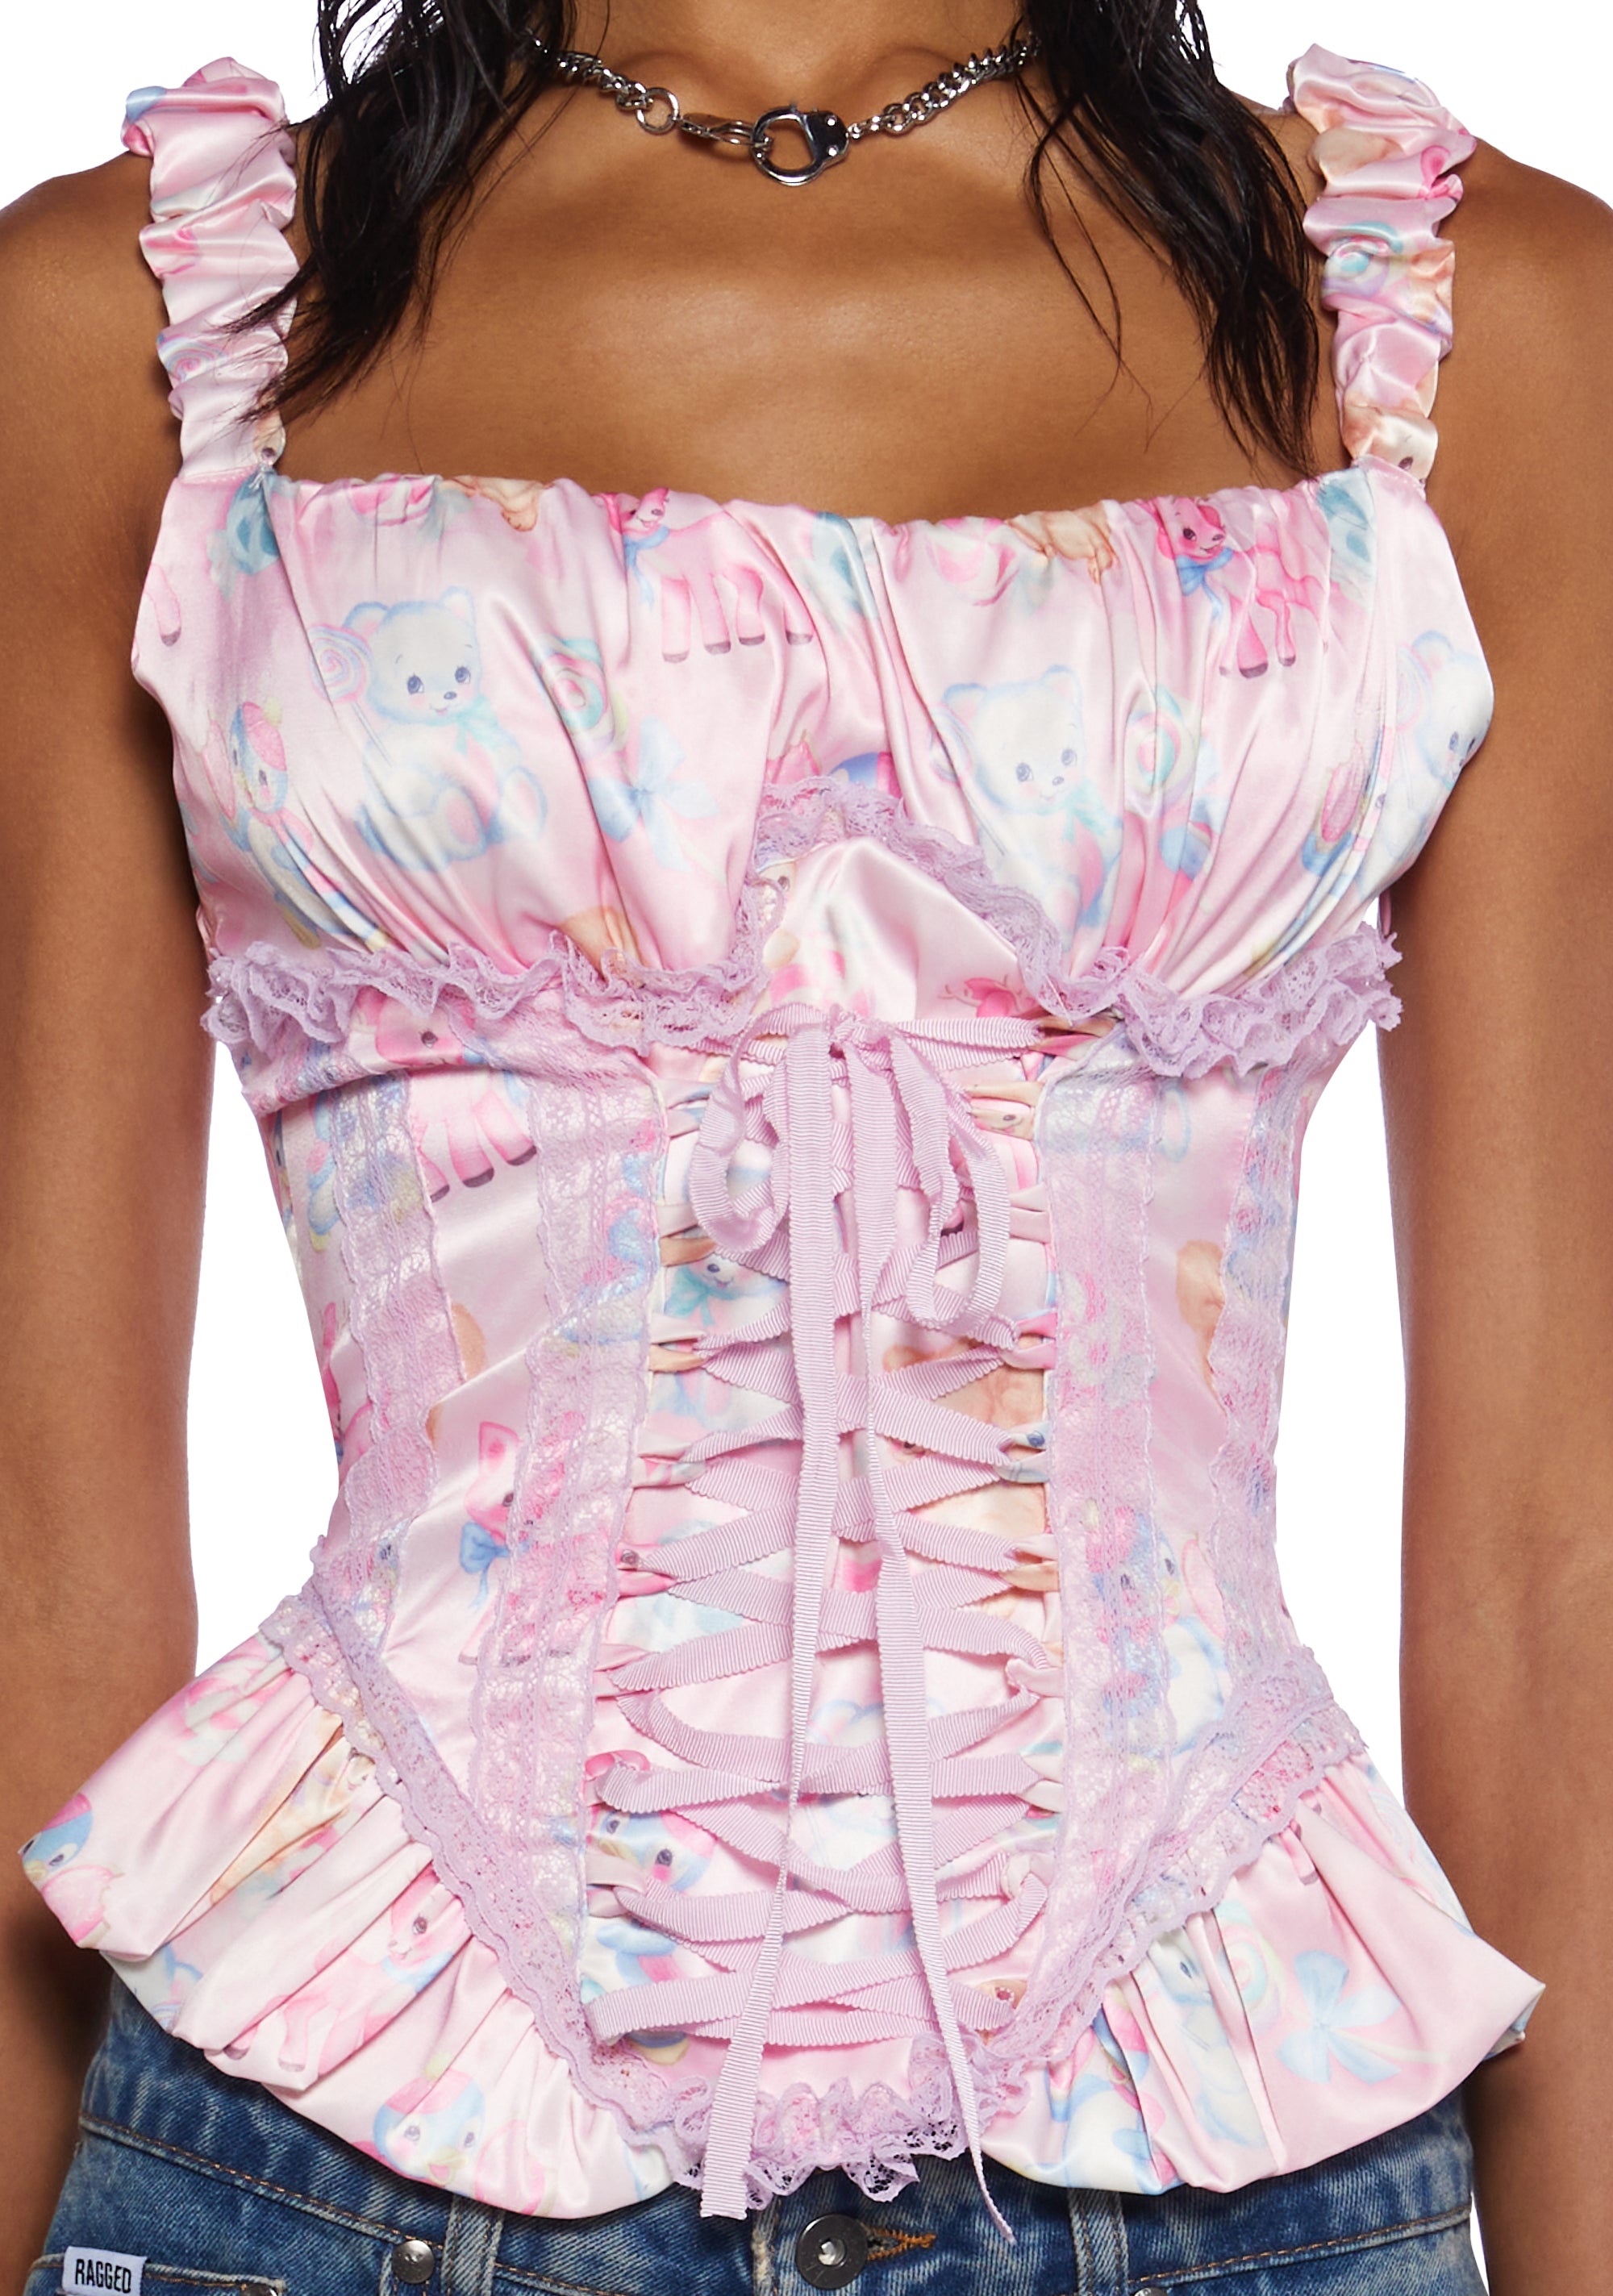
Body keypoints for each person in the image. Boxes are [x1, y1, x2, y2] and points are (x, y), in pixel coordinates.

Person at [2, 4, 1610, 2290]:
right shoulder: (142, 320)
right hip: (324, 2176)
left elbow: (1558, 1558)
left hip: (1234, 2176)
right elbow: (36, 1528)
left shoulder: (1468, 319)